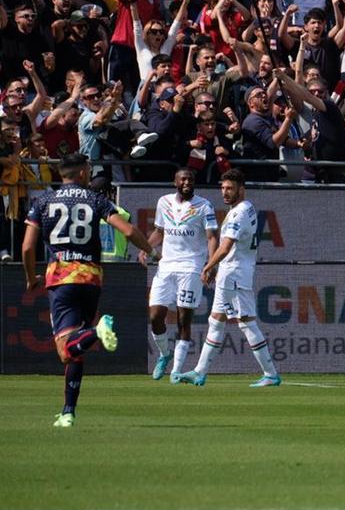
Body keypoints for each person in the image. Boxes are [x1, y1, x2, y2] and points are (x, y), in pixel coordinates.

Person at [22, 153, 156, 427]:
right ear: (83, 173)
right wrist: (151, 250)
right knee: (76, 345)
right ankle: (68, 411)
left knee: (65, 349)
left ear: (61, 173)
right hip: (91, 277)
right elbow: (128, 231)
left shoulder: (43, 201)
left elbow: (26, 247)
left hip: (60, 277)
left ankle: (97, 331)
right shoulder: (96, 199)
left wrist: (29, 278)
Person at [175, 169, 281, 388]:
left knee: (246, 322)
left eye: (230, 188)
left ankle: (270, 373)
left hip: (234, 273)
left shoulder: (238, 213)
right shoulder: (247, 207)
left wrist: (208, 266)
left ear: (241, 189)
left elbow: (225, 247)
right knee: (216, 320)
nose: (225, 192)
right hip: (231, 273)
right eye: (223, 188)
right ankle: (199, 372)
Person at [139, 168, 218, 382]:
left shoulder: (204, 206)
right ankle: (165, 355)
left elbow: (212, 237)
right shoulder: (164, 202)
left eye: (190, 179)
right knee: (155, 316)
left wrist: (210, 265)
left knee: (184, 320)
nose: (187, 182)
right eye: (183, 179)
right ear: (175, 182)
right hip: (166, 266)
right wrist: (146, 248)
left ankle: (176, 370)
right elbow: (160, 231)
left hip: (191, 267)